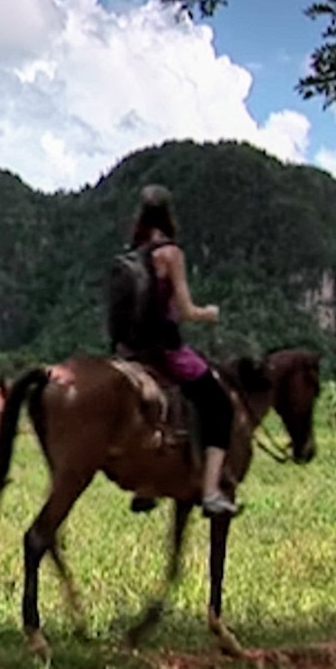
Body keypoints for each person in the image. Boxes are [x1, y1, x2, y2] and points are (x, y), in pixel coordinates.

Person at [126, 184, 238, 517]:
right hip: (165, 349)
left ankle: (147, 483)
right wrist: (209, 313)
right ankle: (210, 491)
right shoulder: (170, 254)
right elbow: (187, 310)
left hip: (132, 351)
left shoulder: (135, 252)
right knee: (219, 404)